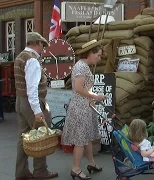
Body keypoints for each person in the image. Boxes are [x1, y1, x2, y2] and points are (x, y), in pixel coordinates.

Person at [14, 32, 58, 179]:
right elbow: (32, 89)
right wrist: (38, 110)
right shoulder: (32, 60)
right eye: (42, 45)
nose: (42, 49)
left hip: (20, 101)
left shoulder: (20, 56)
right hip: (32, 102)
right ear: (37, 43)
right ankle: (40, 171)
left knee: (24, 137)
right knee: (41, 137)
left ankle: (21, 172)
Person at [61, 39, 106, 180]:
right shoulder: (81, 67)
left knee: (86, 138)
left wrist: (92, 99)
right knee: (81, 140)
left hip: (85, 106)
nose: (99, 58)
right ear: (90, 53)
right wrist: (96, 96)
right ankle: (76, 169)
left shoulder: (83, 66)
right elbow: (79, 88)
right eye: (98, 55)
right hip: (80, 108)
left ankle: (91, 163)